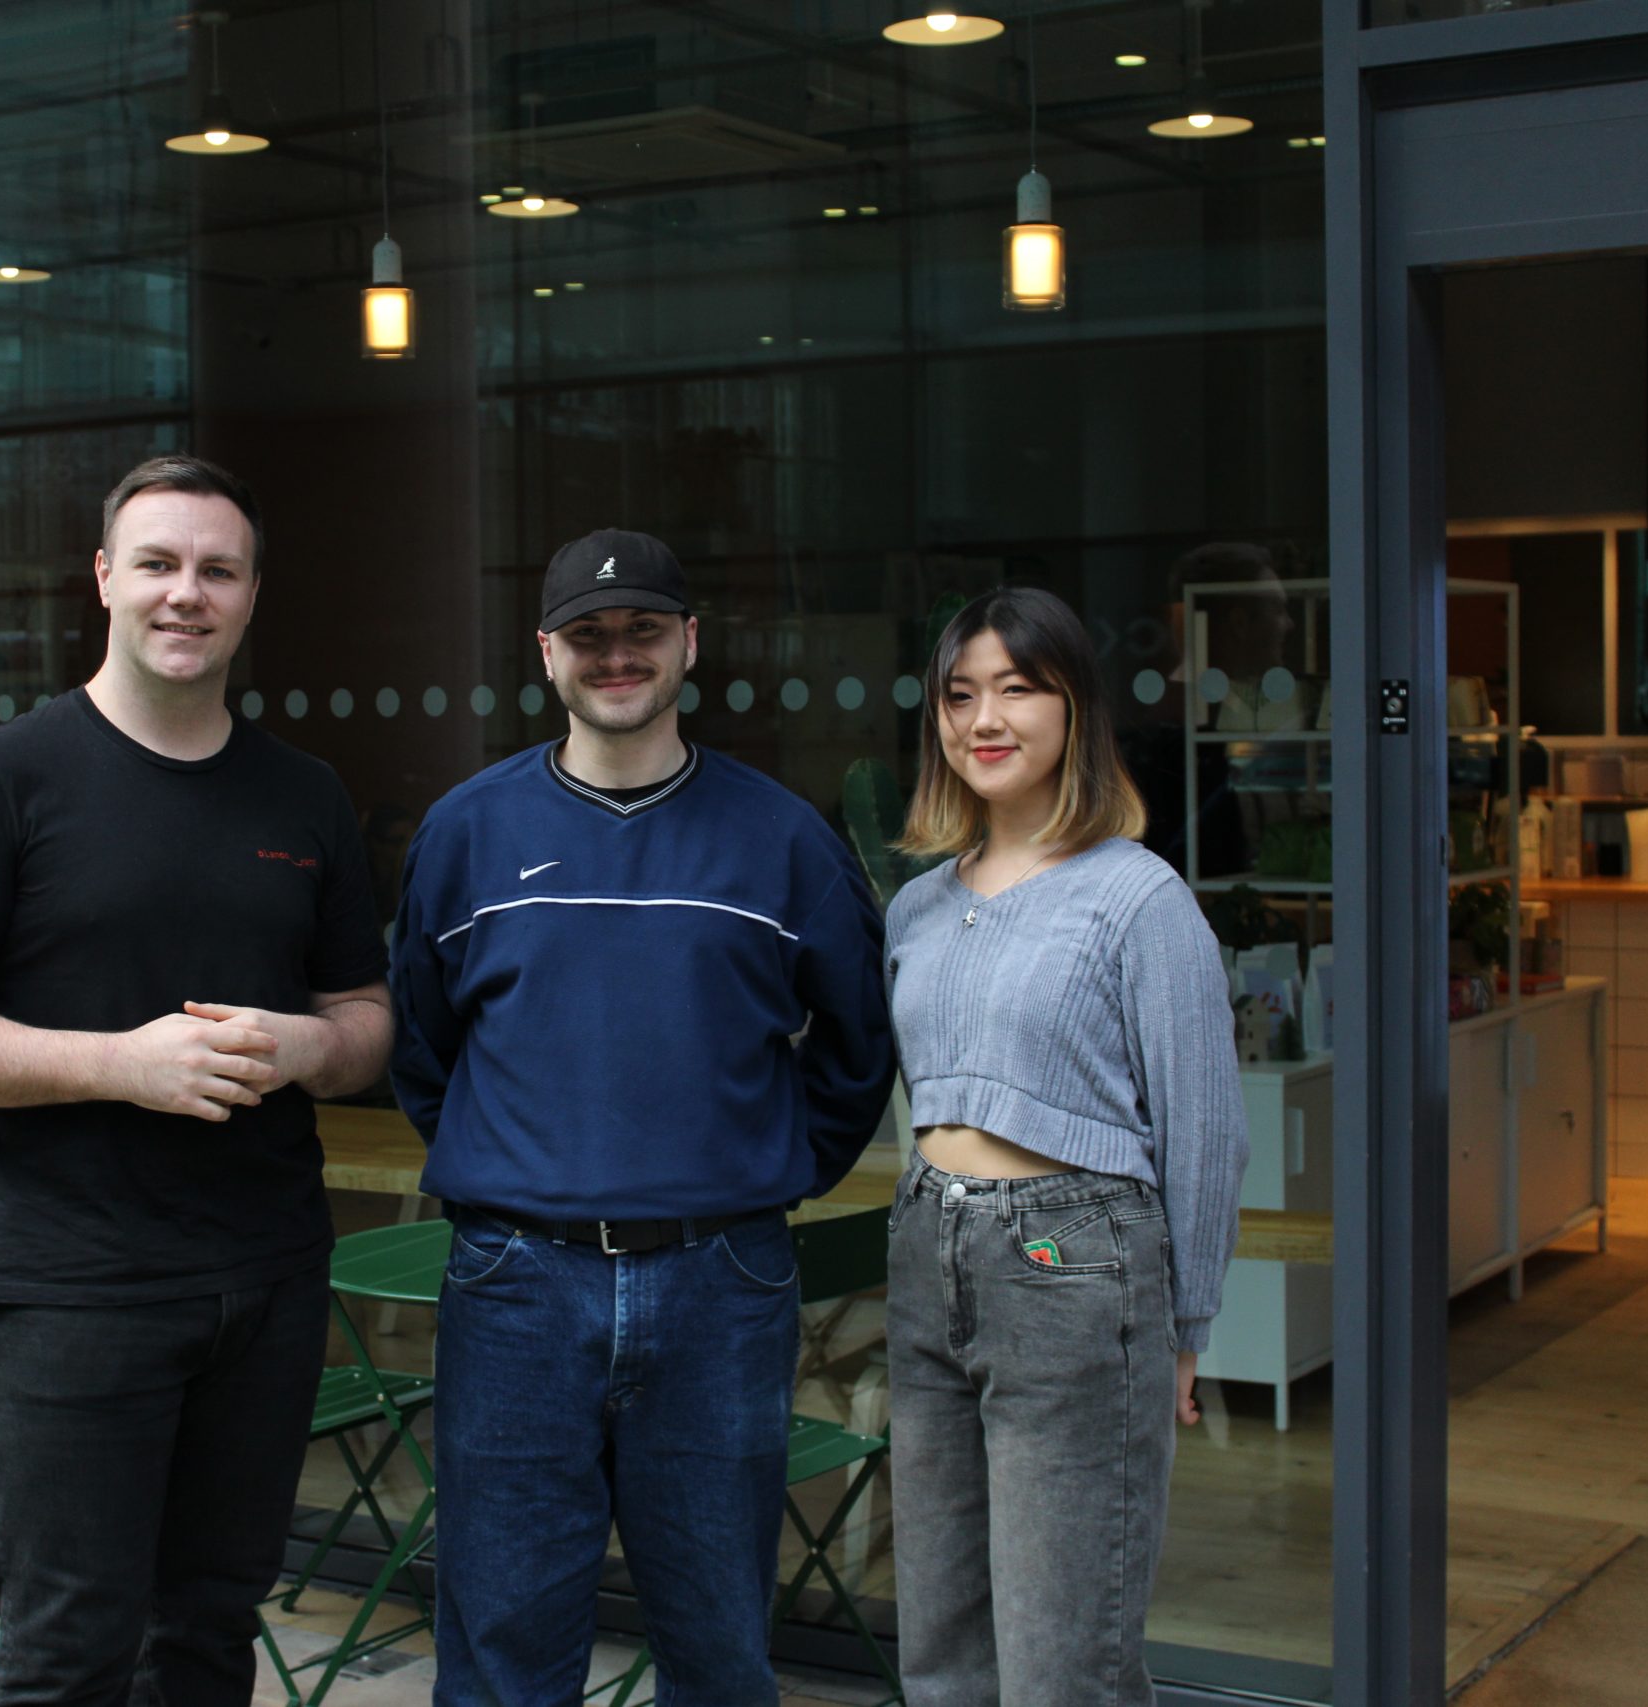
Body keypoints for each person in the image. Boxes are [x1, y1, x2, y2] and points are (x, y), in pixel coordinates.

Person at [0, 454, 391, 1707]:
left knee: (210, 1632)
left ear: (253, 594)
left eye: (217, 569)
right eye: (157, 563)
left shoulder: (303, 795)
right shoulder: (1, 780)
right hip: (77, 1290)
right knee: (68, 1653)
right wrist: (122, 1066)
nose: (184, 594)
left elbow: (363, 1020)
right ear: (104, 579)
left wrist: (309, 1048)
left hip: (265, 1280)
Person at [388, 528, 897, 1707]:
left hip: (721, 1281)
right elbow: (425, 1049)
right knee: (502, 1645)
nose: (617, 656)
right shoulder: (468, 833)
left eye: (643, 632)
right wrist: (518, 1165)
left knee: (718, 1644)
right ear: (547, 655)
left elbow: (857, 1044)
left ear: (689, 644)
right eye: (589, 636)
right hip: (515, 1281)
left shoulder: (781, 840)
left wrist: (752, 1172)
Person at [883, 585, 1249, 1706]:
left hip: (1073, 1267)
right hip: (926, 1252)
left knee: (1061, 1660)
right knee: (940, 1647)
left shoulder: (1137, 898)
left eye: (1016, 689)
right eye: (960, 694)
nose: (982, 718)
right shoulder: (917, 907)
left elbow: (1205, 1127)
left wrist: (1184, 1330)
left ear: (1072, 710)